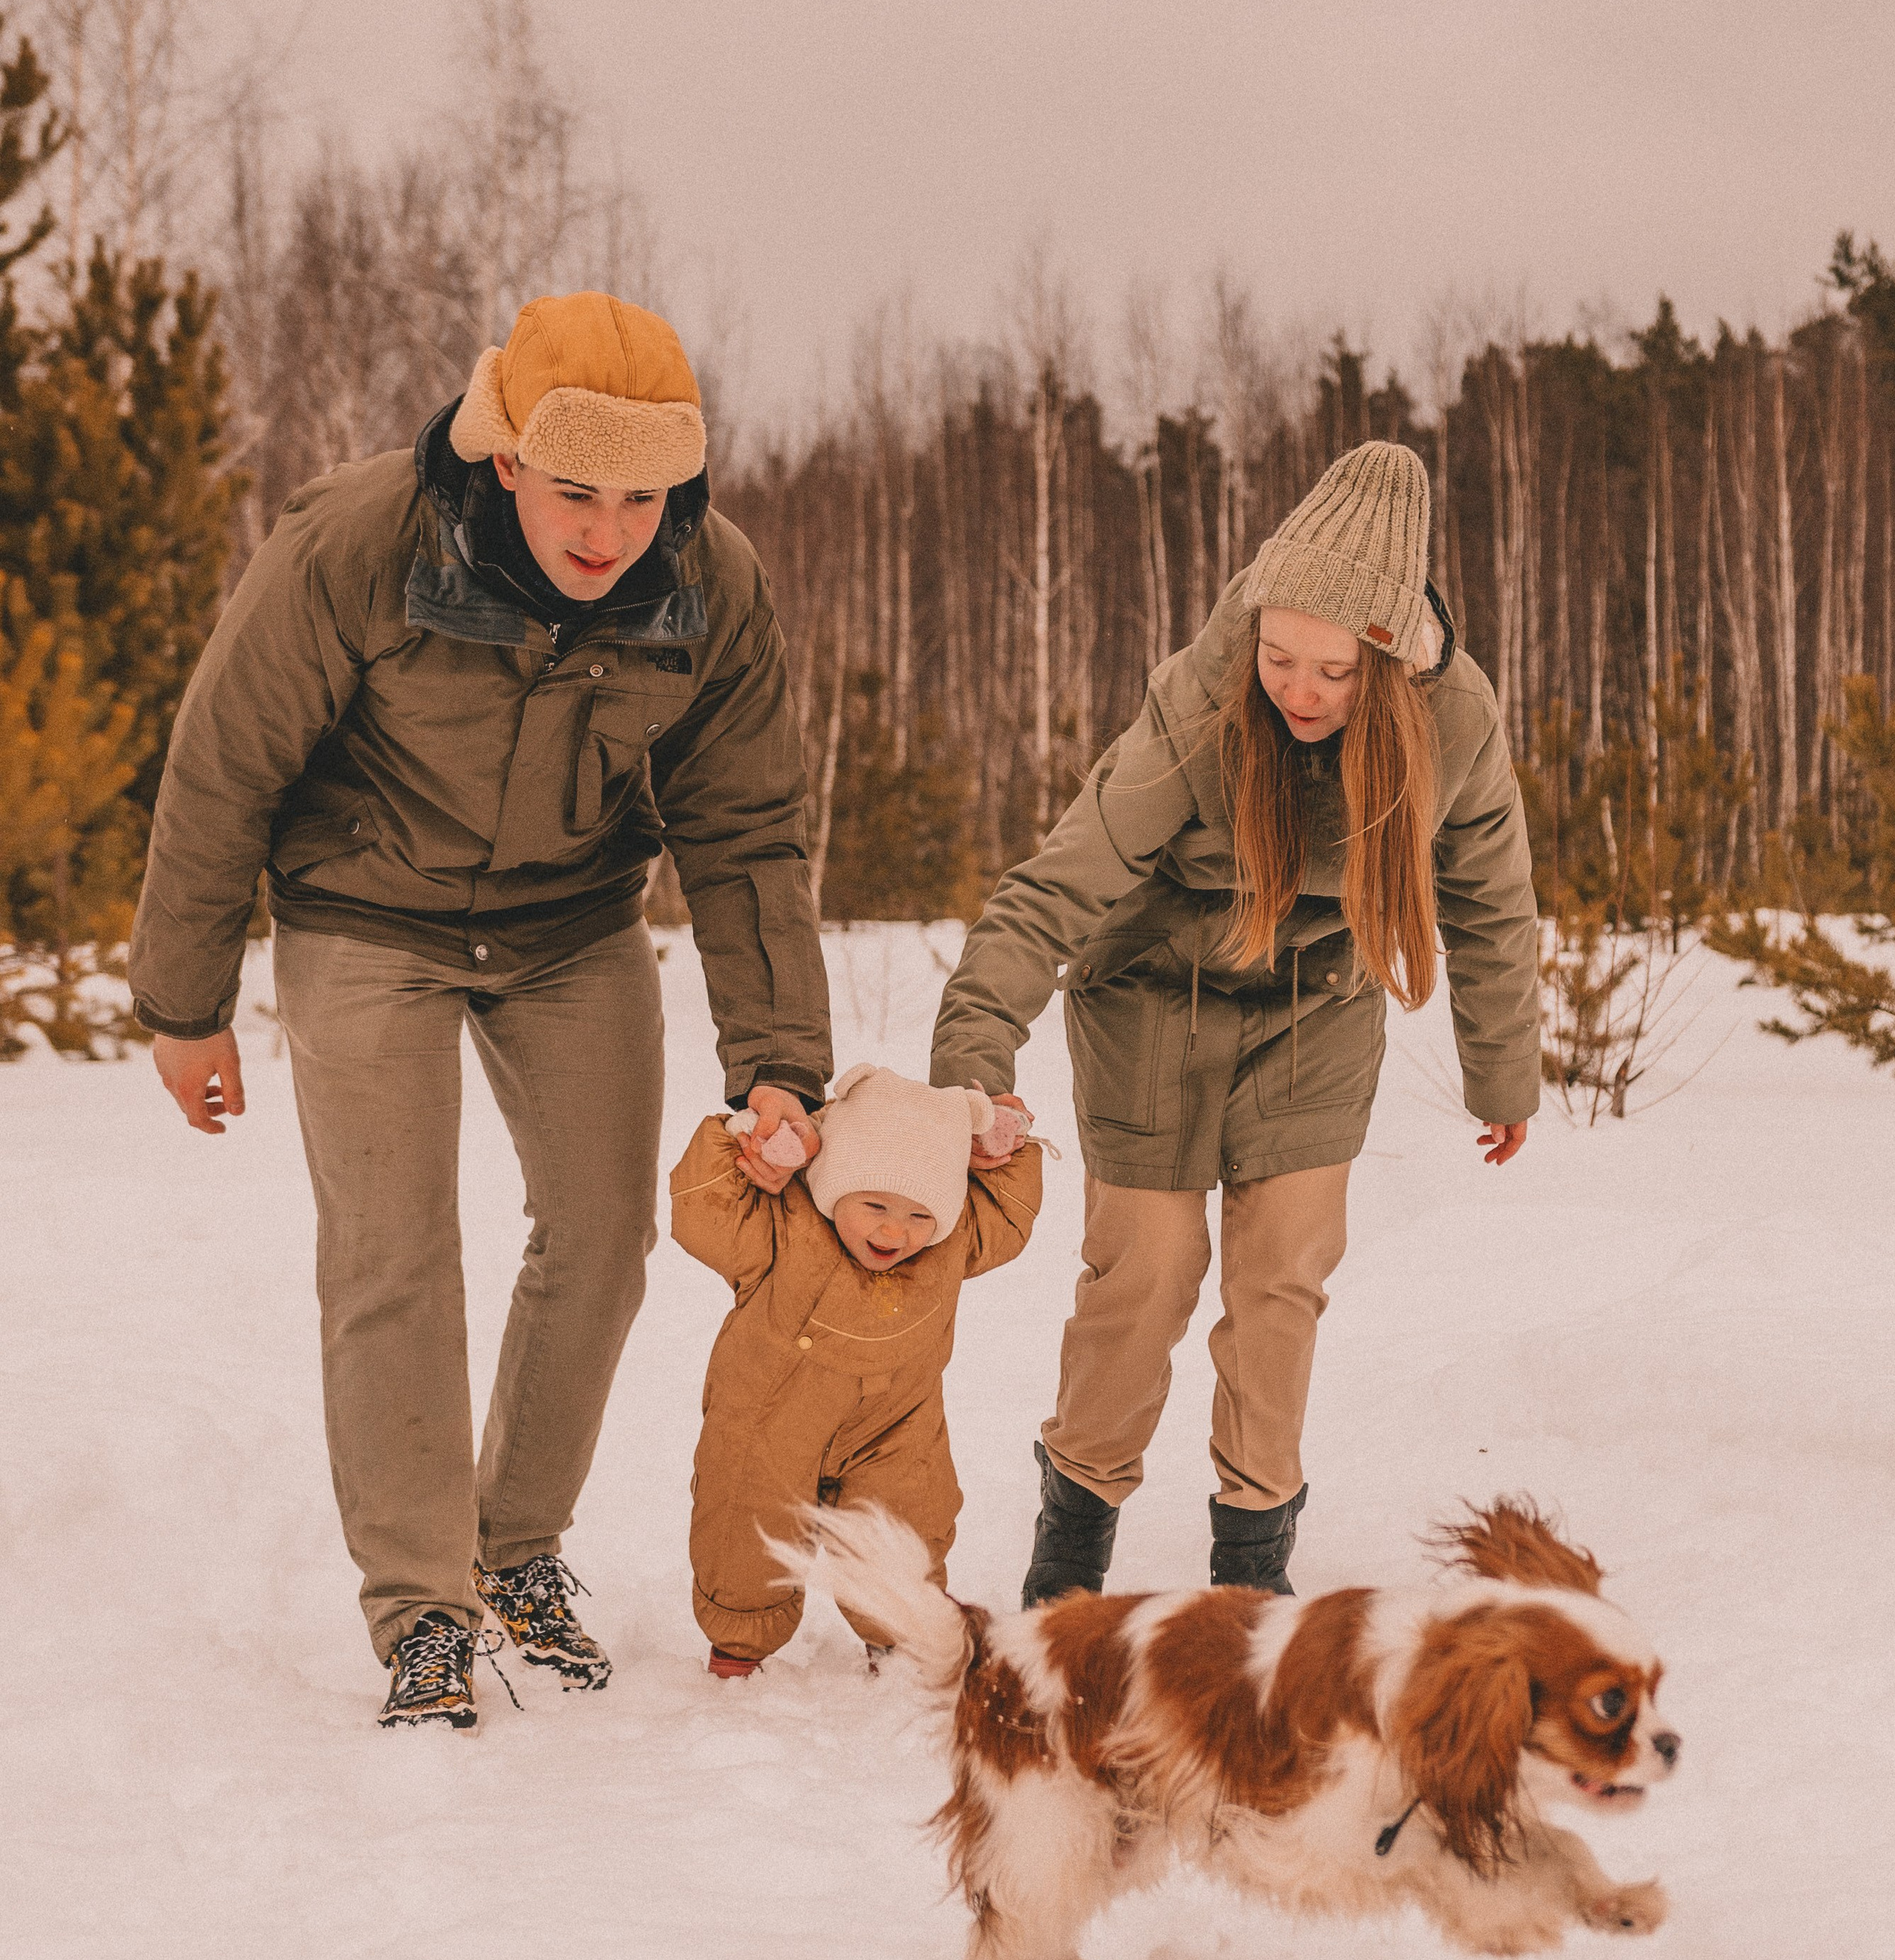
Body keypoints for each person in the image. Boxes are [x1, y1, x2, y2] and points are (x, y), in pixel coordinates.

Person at [129, 290, 832, 1729]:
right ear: (505, 457)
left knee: (603, 1233)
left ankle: (514, 1551)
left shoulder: (713, 585)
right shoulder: (360, 543)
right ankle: (422, 1610)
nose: (608, 530)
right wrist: (184, 997)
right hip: (366, 912)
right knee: (395, 1248)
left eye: (644, 496)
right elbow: (223, 762)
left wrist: (777, 1061)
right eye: (577, 490)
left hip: (572, 926)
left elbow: (749, 828)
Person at [929, 441, 1539, 1604]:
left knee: (1280, 1282)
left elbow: (1492, 897)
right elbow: (1057, 883)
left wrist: (1503, 1071)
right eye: (1280, 658)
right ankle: (1073, 1543)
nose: (1298, 691)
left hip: (1316, 1005)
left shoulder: (1455, 718)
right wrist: (973, 1055)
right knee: (1146, 1274)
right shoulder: (1202, 701)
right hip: (1156, 988)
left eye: (1332, 671)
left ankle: (1252, 1572)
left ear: (1389, 661)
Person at [671, 1065, 1044, 1674]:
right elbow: (702, 1210)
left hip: (895, 1427)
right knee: (745, 1526)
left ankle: (897, 1637)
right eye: (874, 1204)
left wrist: (1008, 1141)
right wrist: (741, 1136)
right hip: (771, 1420)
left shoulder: (950, 1246)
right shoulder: (778, 1228)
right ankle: (739, 1645)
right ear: (833, 1185)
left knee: (906, 1525)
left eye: (922, 1215)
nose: (895, 1230)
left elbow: (1006, 1215)